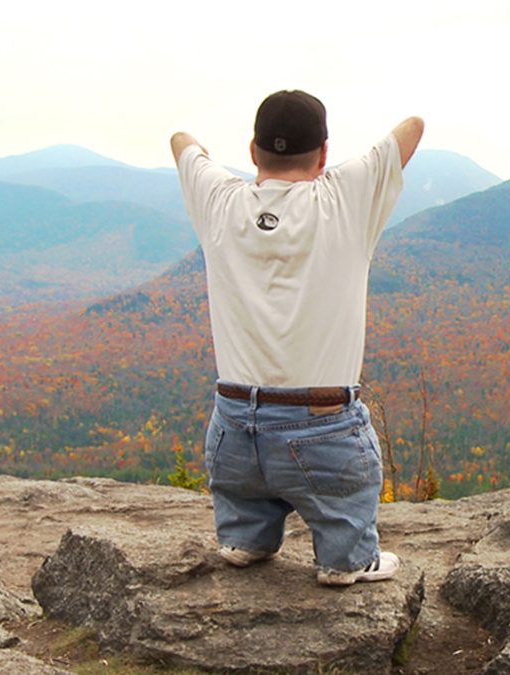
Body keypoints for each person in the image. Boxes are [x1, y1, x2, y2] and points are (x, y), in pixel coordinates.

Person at [170, 90, 423, 586]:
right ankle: (347, 560)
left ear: (251, 151)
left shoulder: (219, 200)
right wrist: (335, 176)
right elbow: (412, 125)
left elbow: (182, 142)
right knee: (343, 512)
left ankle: (247, 538)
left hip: (234, 434)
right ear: (325, 154)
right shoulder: (343, 199)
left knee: (245, 497)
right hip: (322, 432)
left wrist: (216, 164)